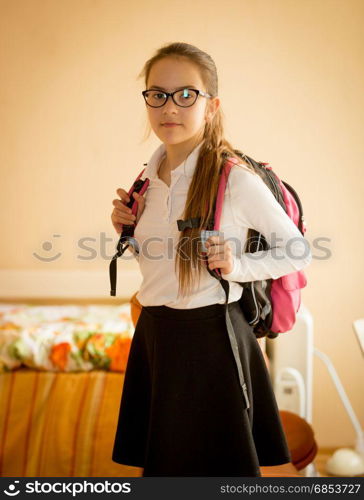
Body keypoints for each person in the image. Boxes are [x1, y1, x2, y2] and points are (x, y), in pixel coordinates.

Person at [110, 42, 312, 477]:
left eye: (186, 94)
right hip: (157, 335)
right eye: (157, 94)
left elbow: (298, 250)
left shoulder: (234, 178)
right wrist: (126, 228)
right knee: (166, 471)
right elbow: (162, 261)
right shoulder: (147, 177)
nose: (170, 106)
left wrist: (237, 266)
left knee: (221, 474)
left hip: (211, 339)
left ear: (211, 105)